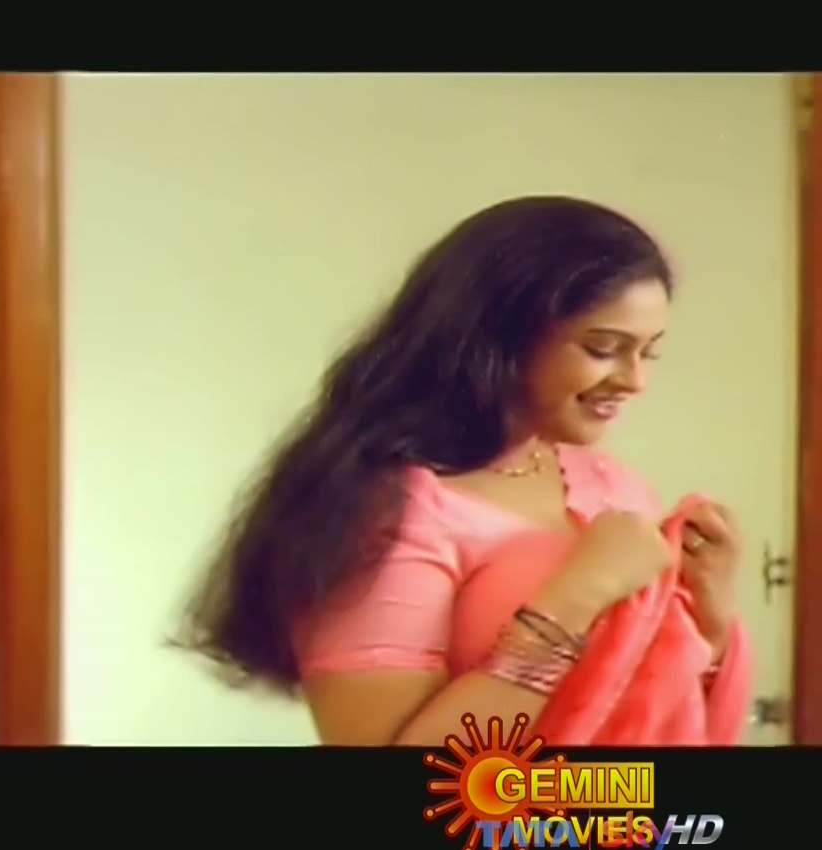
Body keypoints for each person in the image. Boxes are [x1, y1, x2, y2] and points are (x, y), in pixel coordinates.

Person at [182, 195, 743, 746]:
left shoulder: (611, 485)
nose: (635, 380)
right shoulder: (387, 508)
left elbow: (661, 716)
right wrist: (578, 594)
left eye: (649, 352)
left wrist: (708, 616)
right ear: (500, 336)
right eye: (603, 348)